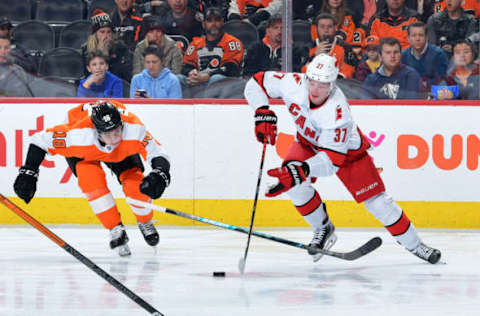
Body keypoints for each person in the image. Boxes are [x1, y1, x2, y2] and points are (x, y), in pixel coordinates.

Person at [243, 53, 442, 264]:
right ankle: (323, 229)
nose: (315, 90)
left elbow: (330, 163)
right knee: (294, 184)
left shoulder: (338, 112)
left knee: (379, 204)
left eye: (323, 85)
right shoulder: (292, 83)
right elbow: (256, 83)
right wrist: (261, 112)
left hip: (347, 155)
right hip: (307, 143)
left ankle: (416, 245)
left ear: (333, 84)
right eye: (312, 82)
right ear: (306, 77)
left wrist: (301, 170)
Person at [13, 100, 171, 257]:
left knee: (135, 186)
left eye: (117, 131)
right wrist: (29, 172)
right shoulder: (77, 135)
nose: (114, 139)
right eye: (108, 134)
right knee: (91, 183)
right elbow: (39, 141)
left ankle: (145, 221)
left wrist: (160, 173)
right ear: (97, 131)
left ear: (122, 124)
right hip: (85, 152)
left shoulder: (134, 128)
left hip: (122, 152)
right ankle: (115, 228)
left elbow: (158, 152)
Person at [179, 7, 244, 87]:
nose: (213, 24)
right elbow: (186, 67)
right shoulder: (195, 44)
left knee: (215, 79)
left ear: (222, 22)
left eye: (217, 20)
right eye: (209, 20)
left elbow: (231, 68)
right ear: (203, 24)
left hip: (224, 84)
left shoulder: (232, 43)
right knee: (178, 79)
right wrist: (192, 73)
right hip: (199, 81)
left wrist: (208, 76)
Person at [81, 10, 133, 82]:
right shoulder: (86, 50)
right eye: (102, 32)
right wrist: (101, 55)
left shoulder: (121, 48)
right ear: (95, 35)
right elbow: (88, 77)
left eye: (108, 32)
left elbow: (123, 75)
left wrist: (107, 57)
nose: (106, 36)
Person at [303, 13, 358, 79]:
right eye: (322, 27)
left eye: (329, 27)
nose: (326, 30)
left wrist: (327, 79)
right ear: (316, 29)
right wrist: (314, 56)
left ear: (335, 28)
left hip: (337, 85)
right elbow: (302, 72)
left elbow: (348, 72)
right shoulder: (308, 47)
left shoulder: (345, 47)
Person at [401, 21, 448, 95]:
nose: (417, 39)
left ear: (427, 37)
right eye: (414, 35)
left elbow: (440, 79)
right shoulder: (402, 55)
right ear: (408, 38)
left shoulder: (438, 54)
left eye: (421, 35)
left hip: (433, 92)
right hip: (409, 94)